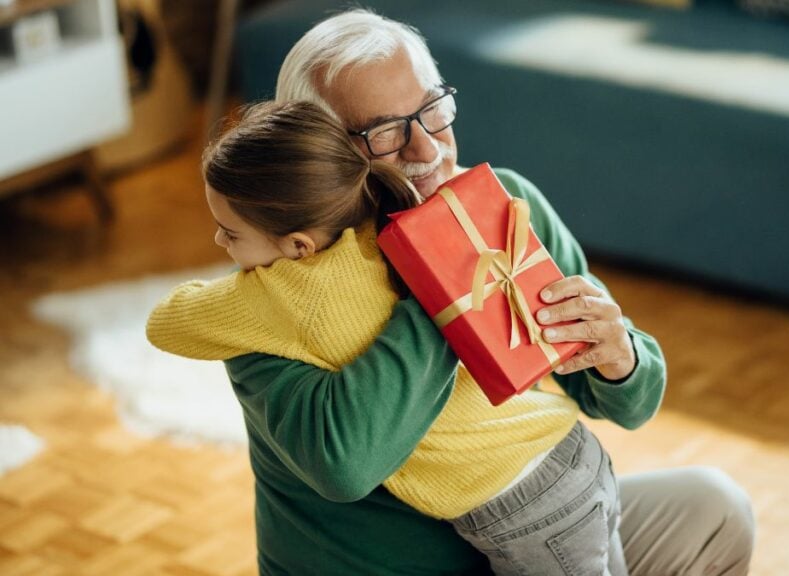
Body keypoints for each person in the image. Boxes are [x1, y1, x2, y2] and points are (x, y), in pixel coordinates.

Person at [197, 8, 752, 575]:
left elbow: (628, 402)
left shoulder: (504, 203)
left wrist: (619, 358)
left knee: (714, 511)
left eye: (433, 111)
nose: (427, 151)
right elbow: (343, 467)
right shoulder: (268, 299)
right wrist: (442, 281)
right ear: (319, 150)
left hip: (535, 536)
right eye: (385, 133)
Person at [147, 99, 629, 575]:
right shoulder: (390, 236)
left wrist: (242, 284)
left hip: (529, 512)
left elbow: (164, 323)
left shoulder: (278, 296)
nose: (218, 243)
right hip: (571, 450)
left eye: (229, 233)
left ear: (299, 246)